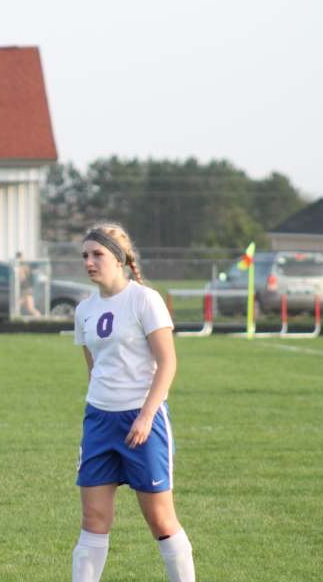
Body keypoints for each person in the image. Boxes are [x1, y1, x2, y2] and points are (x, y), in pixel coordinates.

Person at [71, 223, 195, 581]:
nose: (89, 262)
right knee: (93, 519)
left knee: (160, 519)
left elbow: (168, 363)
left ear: (119, 258)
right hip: (99, 422)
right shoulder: (84, 310)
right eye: (85, 255)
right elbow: (93, 369)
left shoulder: (145, 300)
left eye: (97, 254)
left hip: (143, 422)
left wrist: (145, 416)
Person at [15, 251, 42, 317]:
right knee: (29, 308)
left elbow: (23, 278)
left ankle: (39, 317)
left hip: (26, 289)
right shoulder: (19, 266)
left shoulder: (24, 267)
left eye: (20, 257)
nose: (20, 259)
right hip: (25, 289)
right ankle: (39, 317)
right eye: (18, 257)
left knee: (18, 305)